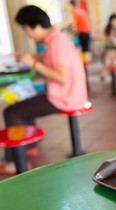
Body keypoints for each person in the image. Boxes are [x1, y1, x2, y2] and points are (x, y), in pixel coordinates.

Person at [0, 5, 88, 174]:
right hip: (69, 93)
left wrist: (33, 63)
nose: (27, 33)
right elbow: (53, 61)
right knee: (24, 102)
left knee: (12, 112)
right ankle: (29, 145)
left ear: (36, 26)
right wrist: (33, 57)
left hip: (65, 98)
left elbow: (62, 77)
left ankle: (15, 161)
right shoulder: (56, 39)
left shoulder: (56, 43)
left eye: (26, 29)